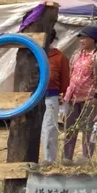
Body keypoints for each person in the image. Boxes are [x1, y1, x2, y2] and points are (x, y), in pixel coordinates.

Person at [62, 26, 97, 162]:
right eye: (80, 38)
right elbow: (71, 73)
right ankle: (67, 158)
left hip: (90, 98)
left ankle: (86, 157)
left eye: (84, 38)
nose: (81, 40)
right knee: (70, 128)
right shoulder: (77, 54)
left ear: (93, 39)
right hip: (73, 97)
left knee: (88, 129)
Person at [41, 28, 70, 164]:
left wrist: (62, 99)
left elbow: (65, 82)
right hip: (31, 99)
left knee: (49, 130)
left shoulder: (59, 58)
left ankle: (49, 161)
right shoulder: (31, 55)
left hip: (50, 98)